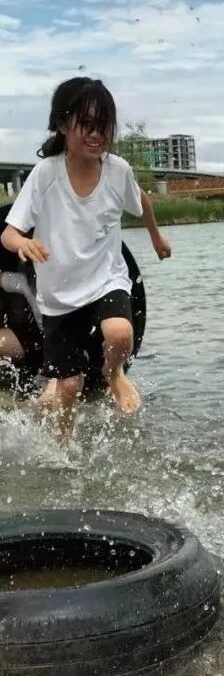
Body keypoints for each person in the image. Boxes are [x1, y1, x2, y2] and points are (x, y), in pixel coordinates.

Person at [1, 77, 172, 443]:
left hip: (107, 278)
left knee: (120, 334)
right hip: (59, 297)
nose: (97, 135)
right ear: (63, 125)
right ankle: (61, 451)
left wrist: (156, 238)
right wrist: (22, 244)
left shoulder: (118, 170)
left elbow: (143, 202)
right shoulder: (46, 174)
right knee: (69, 387)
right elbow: (8, 233)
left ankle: (113, 373)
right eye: (88, 125)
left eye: (104, 126)